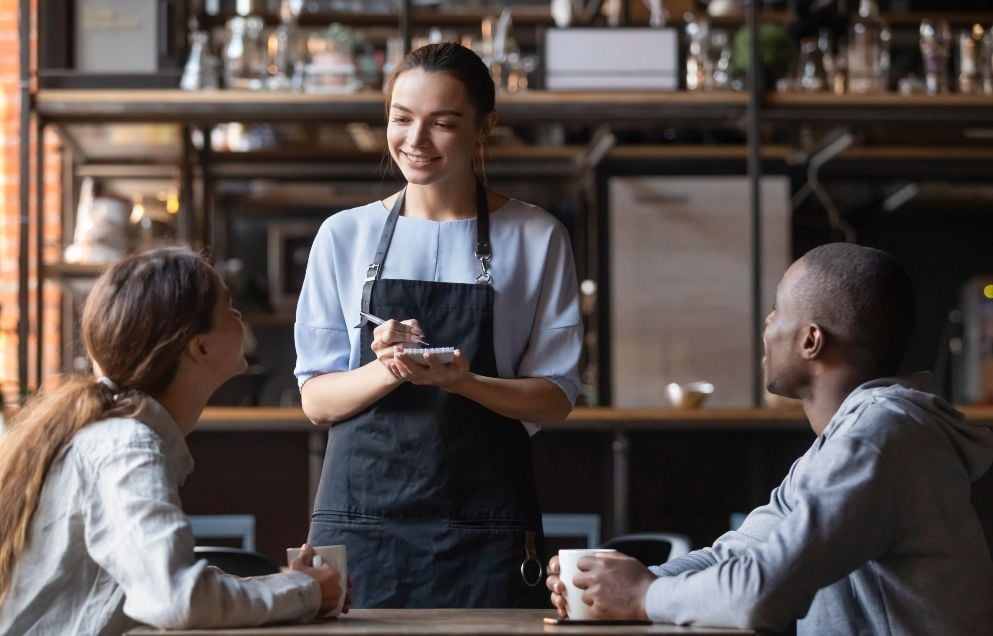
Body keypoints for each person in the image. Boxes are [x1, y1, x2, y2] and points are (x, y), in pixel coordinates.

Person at [546, 243, 993, 633]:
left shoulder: (881, 436)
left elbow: (761, 590)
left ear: (811, 341)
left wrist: (641, 596)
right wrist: (613, 582)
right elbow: (740, 554)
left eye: (777, 309)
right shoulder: (842, 443)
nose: (767, 323)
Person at [294, 42, 582, 608]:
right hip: (360, 527)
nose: (415, 142)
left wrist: (463, 382)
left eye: (443, 123)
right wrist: (388, 370)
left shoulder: (536, 235)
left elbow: (554, 399)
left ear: (484, 128)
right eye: (401, 120)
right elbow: (317, 400)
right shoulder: (342, 236)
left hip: (486, 528)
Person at [0, 248, 348, 635]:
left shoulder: (114, 436)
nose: (239, 317)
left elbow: (153, 592)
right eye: (229, 308)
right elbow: (177, 599)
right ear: (199, 348)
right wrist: (303, 591)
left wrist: (291, 586)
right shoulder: (127, 448)